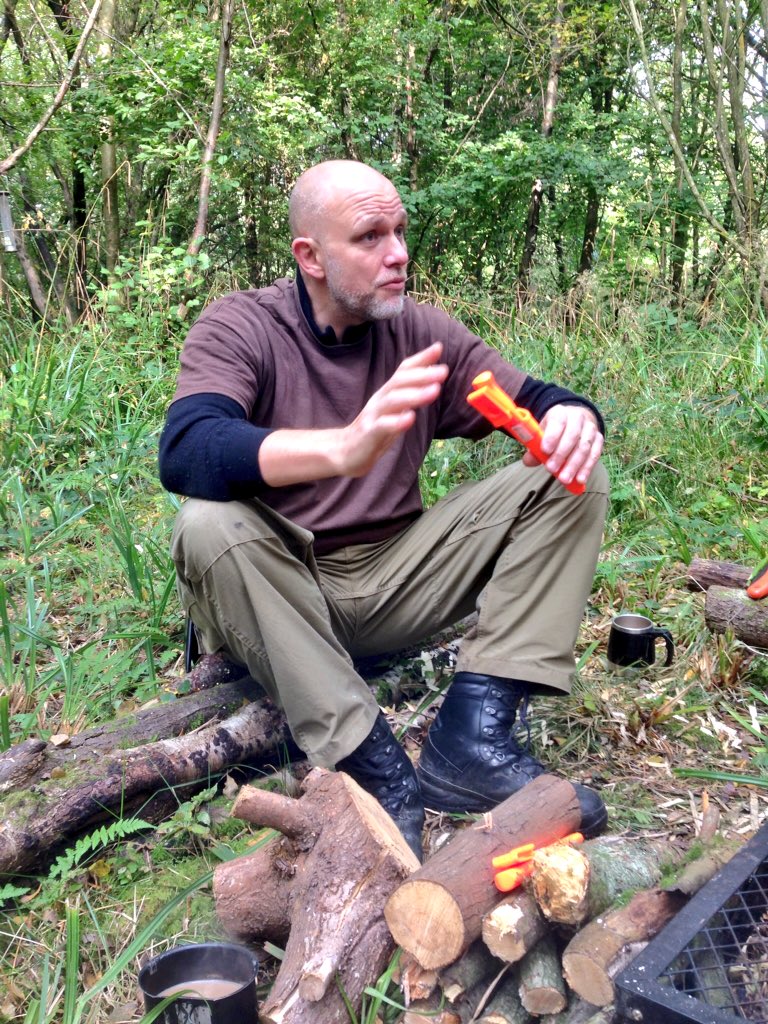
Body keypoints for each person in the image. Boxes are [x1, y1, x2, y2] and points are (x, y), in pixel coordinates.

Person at [159, 159, 609, 862]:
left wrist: (577, 416)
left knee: (569, 471)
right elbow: (188, 449)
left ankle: (472, 739)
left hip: (397, 579)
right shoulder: (242, 325)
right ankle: (373, 766)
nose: (398, 253)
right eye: (370, 237)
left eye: (400, 232)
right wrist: (342, 448)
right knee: (207, 521)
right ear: (310, 256)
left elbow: (537, 398)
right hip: (281, 592)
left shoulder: (421, 333)